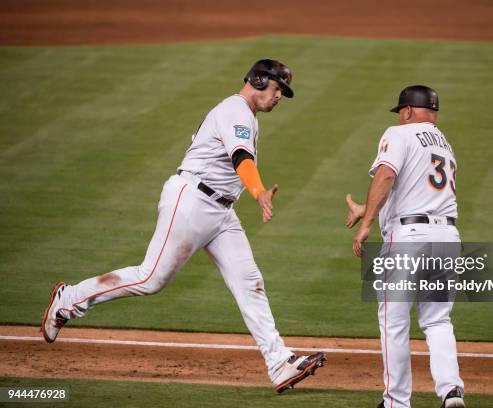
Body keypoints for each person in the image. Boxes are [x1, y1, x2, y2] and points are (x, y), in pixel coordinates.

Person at [41, 59, 326, 393]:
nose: (279, 96)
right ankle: (68, 299)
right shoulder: (236, 109)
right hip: (192, 201)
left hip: (220, 212)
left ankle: (279, 363)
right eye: (277, 88)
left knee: (250, 282)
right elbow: (241, 159)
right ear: (259, 80)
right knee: (151, 279)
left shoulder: (246, 115)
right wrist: (258, 191)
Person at [345, 85, 465, 408]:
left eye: (400, 111)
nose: (399, 117)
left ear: (408, 111)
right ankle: (451, 391)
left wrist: (367, 222)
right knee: (438, 320)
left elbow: (386, 176)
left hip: (408, 240)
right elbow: (414, 192)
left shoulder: (400, 134)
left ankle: (396, 402)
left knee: (393, 319)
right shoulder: (445, 145)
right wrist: (367, 209)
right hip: (447, 238)